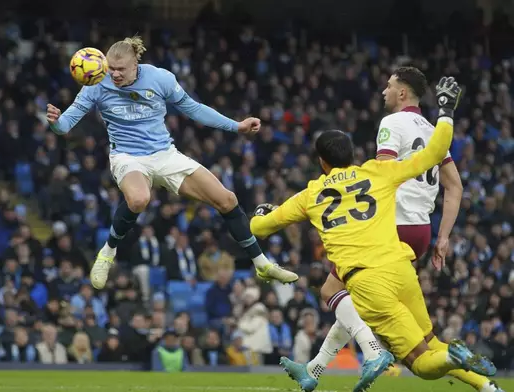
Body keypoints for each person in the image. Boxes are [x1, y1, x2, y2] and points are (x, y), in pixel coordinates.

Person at [249, 77, 496, 392]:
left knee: (419, 361)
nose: (384, 90)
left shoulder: (312, 193)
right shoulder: (378, 172)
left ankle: (378, 352)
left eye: (390, 85)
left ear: (322, 162)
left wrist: (260, 213)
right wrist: (446, 111)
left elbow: (261, 227)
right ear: (352, 155)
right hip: (404, 254)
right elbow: (437, 156)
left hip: (376, 260)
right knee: (427, 339)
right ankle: (486, 386)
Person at [46, 36, 297, 289]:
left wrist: (236, 126)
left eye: (120, 69)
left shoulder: (160, 78)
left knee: (227, 200)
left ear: (136, 65)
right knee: (139, 199)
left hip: (165, 154)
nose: (114, 74)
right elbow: (65, 125)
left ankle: (262, 264)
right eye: (111, 68)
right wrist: (56, 122)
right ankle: (107, 253)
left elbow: (194, 109)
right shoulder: (96, 85)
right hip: (127, 156)